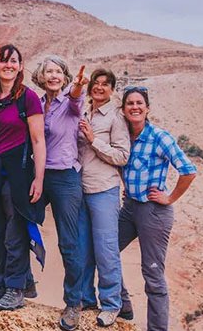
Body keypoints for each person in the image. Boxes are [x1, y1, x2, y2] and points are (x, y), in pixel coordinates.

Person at [118, 86, 197, 331]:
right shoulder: (122, 136)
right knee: (103, 250)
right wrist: (127, 186)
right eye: (130, 103)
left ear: (147, 108)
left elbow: (188, 170)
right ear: (123, 109)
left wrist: (170, 197)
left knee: (152, 274)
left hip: (153, 212)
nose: (135, 107)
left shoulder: (159, 137)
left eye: (139, 103)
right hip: (130, 208)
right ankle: (123, 303)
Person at [0, 44, 46, 311]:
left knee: (14, 233)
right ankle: (6, 283)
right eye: (3, 61)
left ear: (20, 65)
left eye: (13, 61)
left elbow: (39, 140)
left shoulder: (28, 98)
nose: (8, 65)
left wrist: (39, 178)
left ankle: (15, 289)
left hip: (17, 174)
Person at [31, 55, 88, 331]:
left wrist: (76, 86)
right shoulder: (39, 104)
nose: (53, 76)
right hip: (40, 175)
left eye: (58, 72)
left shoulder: (70, 101)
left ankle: (73, 303)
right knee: (18, 221)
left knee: (68, 241)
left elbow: (77, 97)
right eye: (48, 72)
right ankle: (18, 284)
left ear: (65, 77)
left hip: (65, 177)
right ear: (41, 77)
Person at [76, 69, 130, 326]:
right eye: (95, 84)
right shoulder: (82, 111)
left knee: (106, 249)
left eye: (104, 84)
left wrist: (94, 140)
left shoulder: (116, 117)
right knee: (82, 248)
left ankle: (111, 304)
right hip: (79, 189)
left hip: (104, 190)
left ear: (111, 89)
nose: (99, 88)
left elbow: (122, 156)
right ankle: (86, 299)